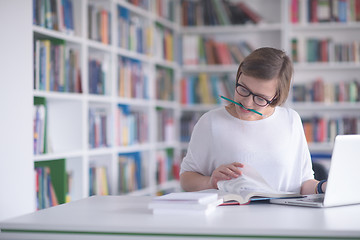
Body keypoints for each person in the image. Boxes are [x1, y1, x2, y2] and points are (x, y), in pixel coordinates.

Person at [180, 47, 327, 195]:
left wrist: (324, 187)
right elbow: (186, 179)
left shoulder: (291, 120)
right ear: (238, 77)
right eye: (243, 89)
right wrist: (210, 182)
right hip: (231, 217)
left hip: (285, 216)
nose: (247, 103)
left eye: (260, 98)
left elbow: (304, 183)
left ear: (276, 96)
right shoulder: (210, 122)